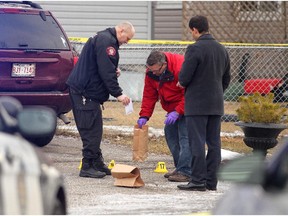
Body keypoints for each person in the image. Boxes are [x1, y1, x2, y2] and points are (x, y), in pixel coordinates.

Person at [66, 21, 135, 178]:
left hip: (88, 91)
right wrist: (118, 93)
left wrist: (112, 70)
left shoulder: (104, 37)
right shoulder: (107, 41)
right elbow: (105, 70)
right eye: (128, 38)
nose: (126, 42)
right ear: (122, 30)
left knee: (95, 129)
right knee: (90, 130)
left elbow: (101, 66)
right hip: (85, 92)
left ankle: (97, 162)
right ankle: (87, 166)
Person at [177, 15, 231, 191]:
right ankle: (211, 181)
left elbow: (184, 77)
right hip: (216, 103)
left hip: (197, 104)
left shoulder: (194, 49)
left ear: (194, 30)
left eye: (191, 31)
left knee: (197, 142)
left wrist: (182, 83)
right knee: (214, 143)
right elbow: (227, 78)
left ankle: (198, 180)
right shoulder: (222, 49)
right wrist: (217, 93)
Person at [137, 50, 192, 182]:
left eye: (156, 70)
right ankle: (180, 167)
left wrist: (178, 111)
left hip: (188, 106)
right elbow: (149, 95)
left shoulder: (180, 67)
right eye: (150, 70)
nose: (153, 73)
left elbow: (190, 92)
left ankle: (187, 171)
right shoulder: (151, 72)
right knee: (171, 135)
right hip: (172, 108)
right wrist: (144, 115)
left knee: (185, 138)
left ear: (164, 64)